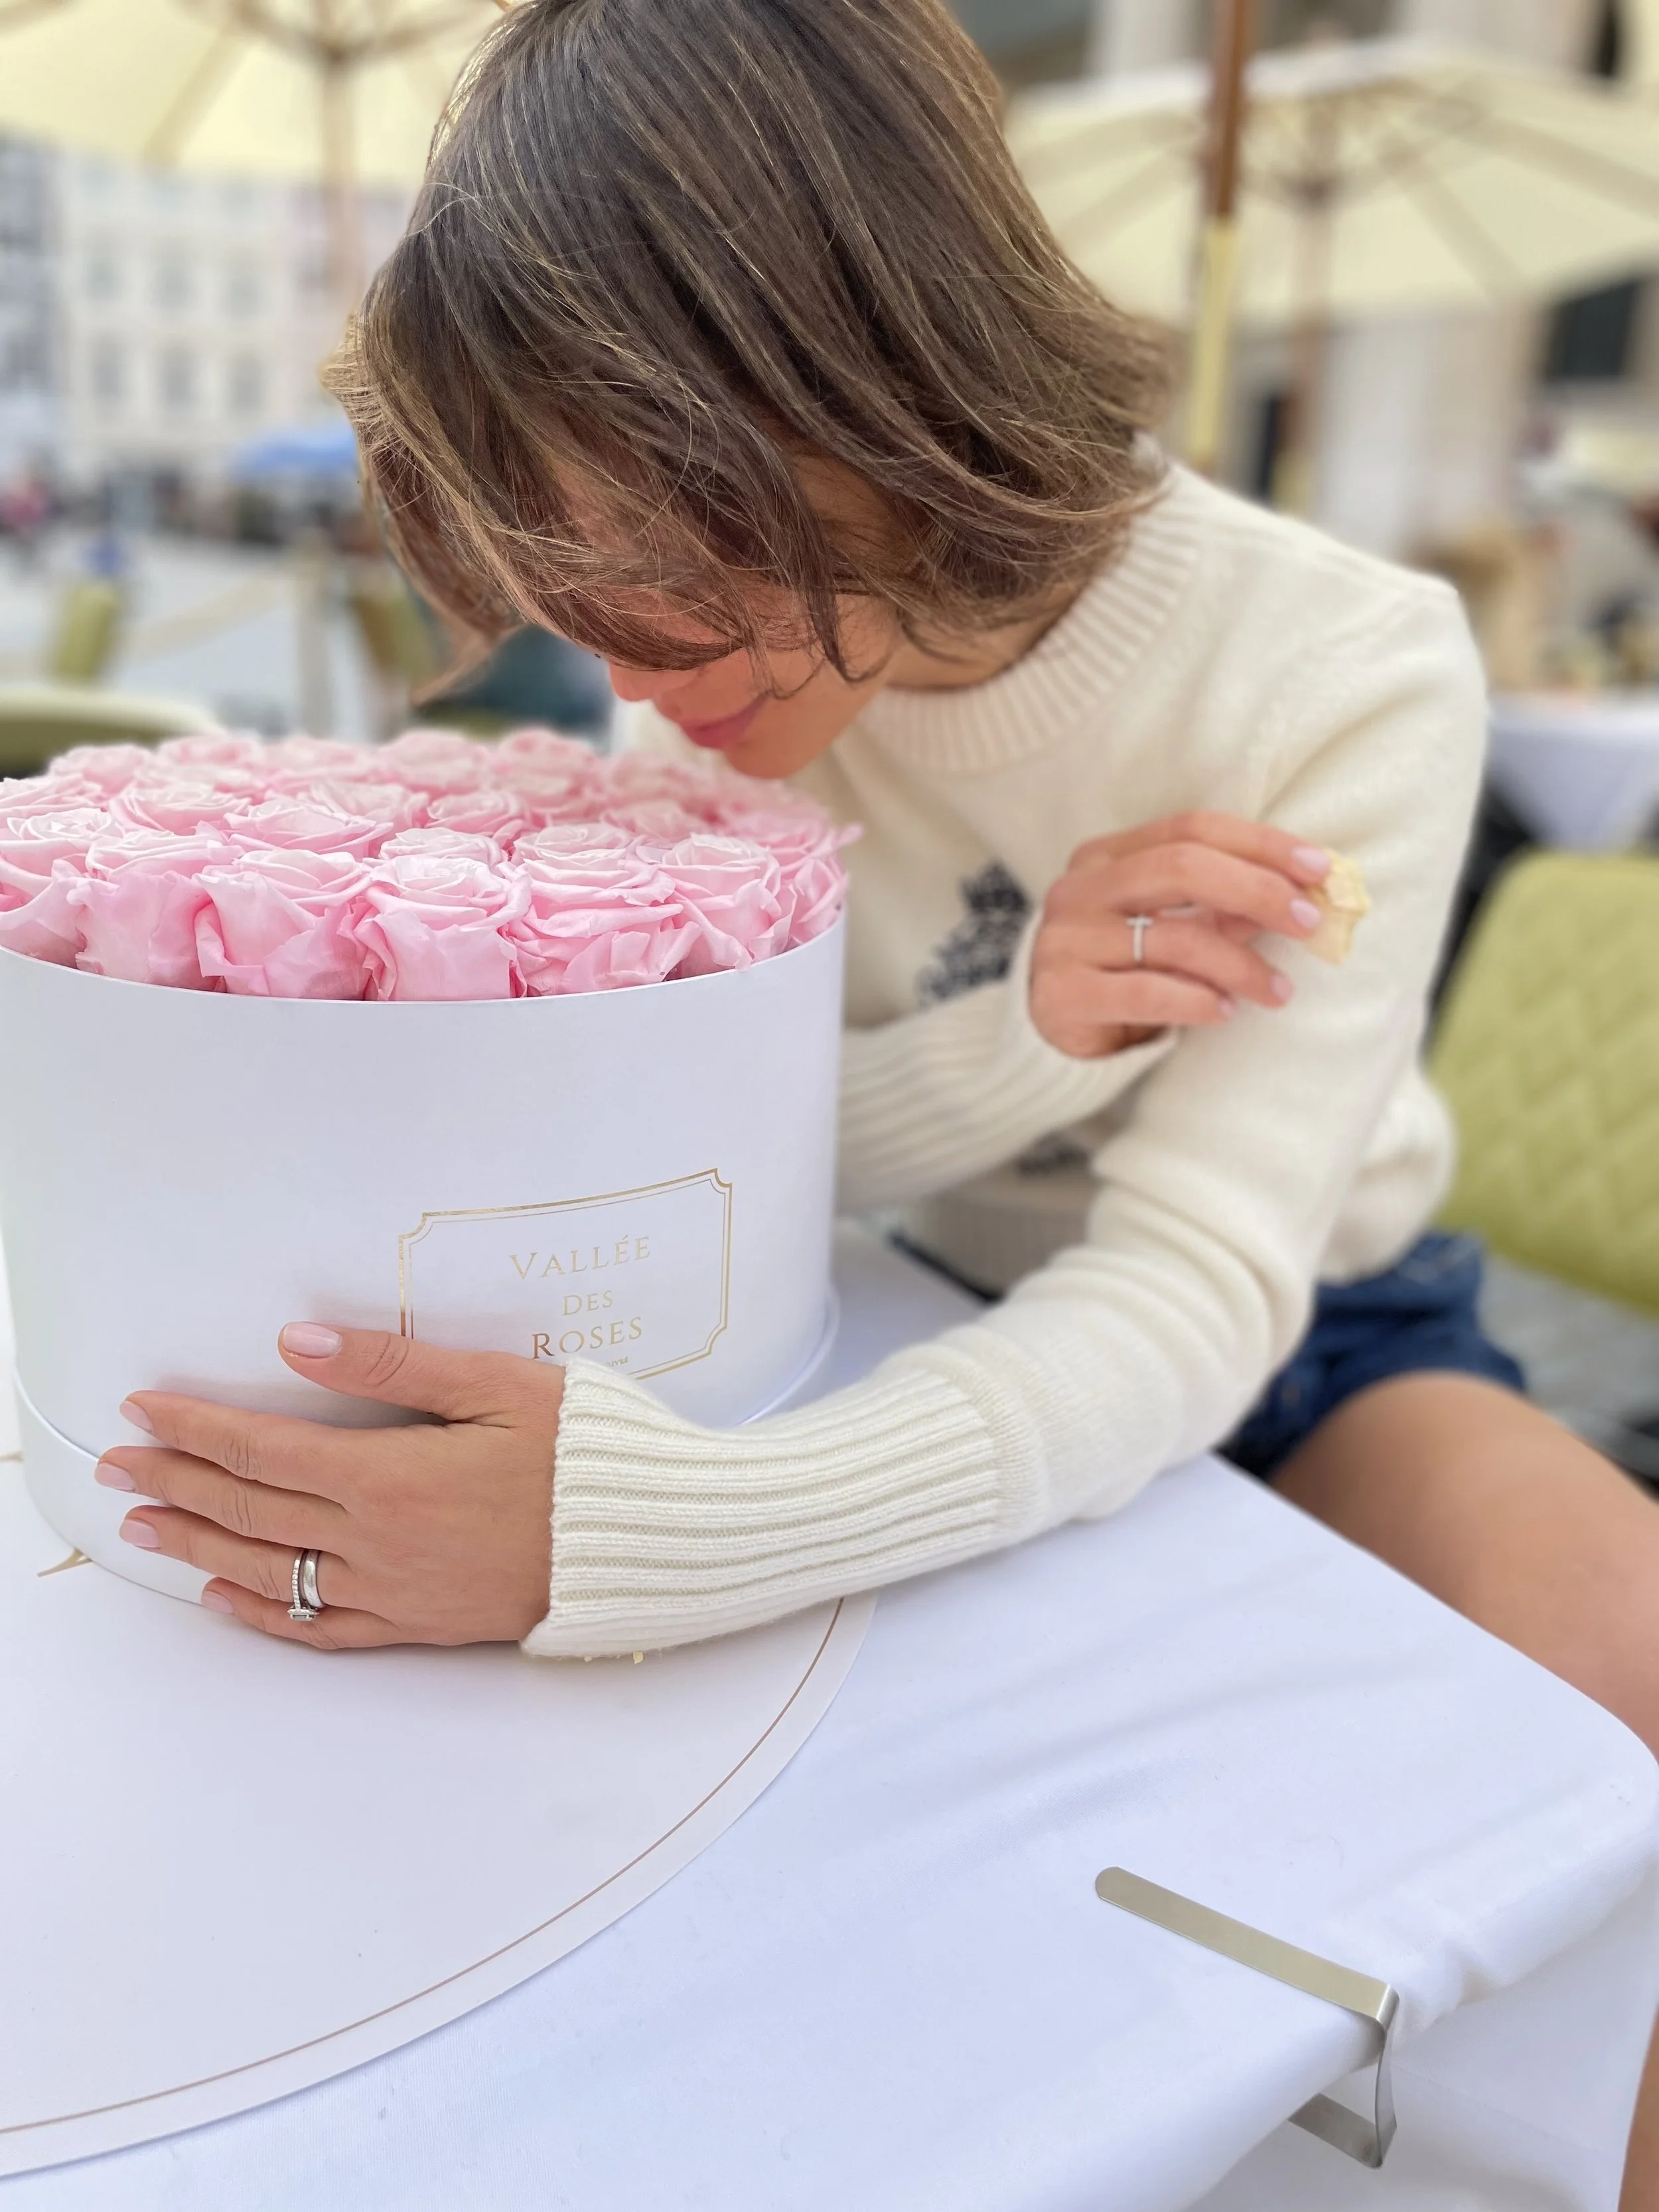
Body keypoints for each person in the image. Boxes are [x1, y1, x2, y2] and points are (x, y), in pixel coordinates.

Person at [96, 3, 1659, 2193]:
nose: (633, 674)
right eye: (571, 601)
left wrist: (652, 1538)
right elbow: (766, 1150)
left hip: (1309, 1329)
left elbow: (1198, 1293)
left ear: (879, 358)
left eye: (664, 560)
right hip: (850, 1280)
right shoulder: (732, 682)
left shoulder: (1337, 668)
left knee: (1620, 1664)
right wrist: (1023, 1026)